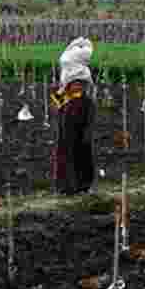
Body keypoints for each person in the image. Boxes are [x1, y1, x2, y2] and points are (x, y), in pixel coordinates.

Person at [52, 38, 98, 195]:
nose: (78, 86)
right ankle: (66, 187)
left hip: (82, 138)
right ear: (69, 85)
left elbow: (90, 119)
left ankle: (83, 186)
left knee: (83, 159)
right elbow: (59, 115)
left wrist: (87, 133)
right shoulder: (65, 100)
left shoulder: (87, 102)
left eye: (80, 84)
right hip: (66, 137)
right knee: (66, 158)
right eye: (75, 84)